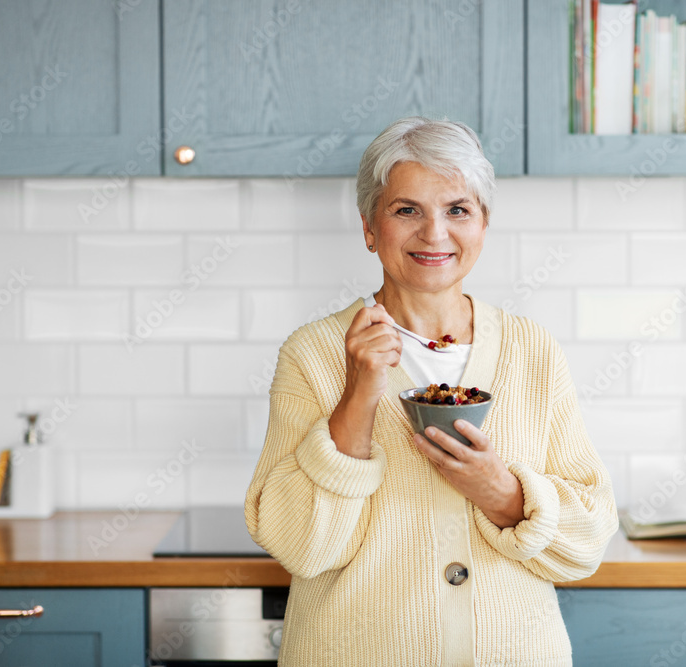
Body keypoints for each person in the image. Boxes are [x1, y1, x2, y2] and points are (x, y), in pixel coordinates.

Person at [245, 116, 617, 666]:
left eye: (457, 210)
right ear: (370, 227)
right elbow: (301, 546)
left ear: (483, 224)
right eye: (406, 210)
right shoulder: (315, 354)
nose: (435, 233)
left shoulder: (532, 350)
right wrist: (358, 397)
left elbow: (588, 541)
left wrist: (504, 494)